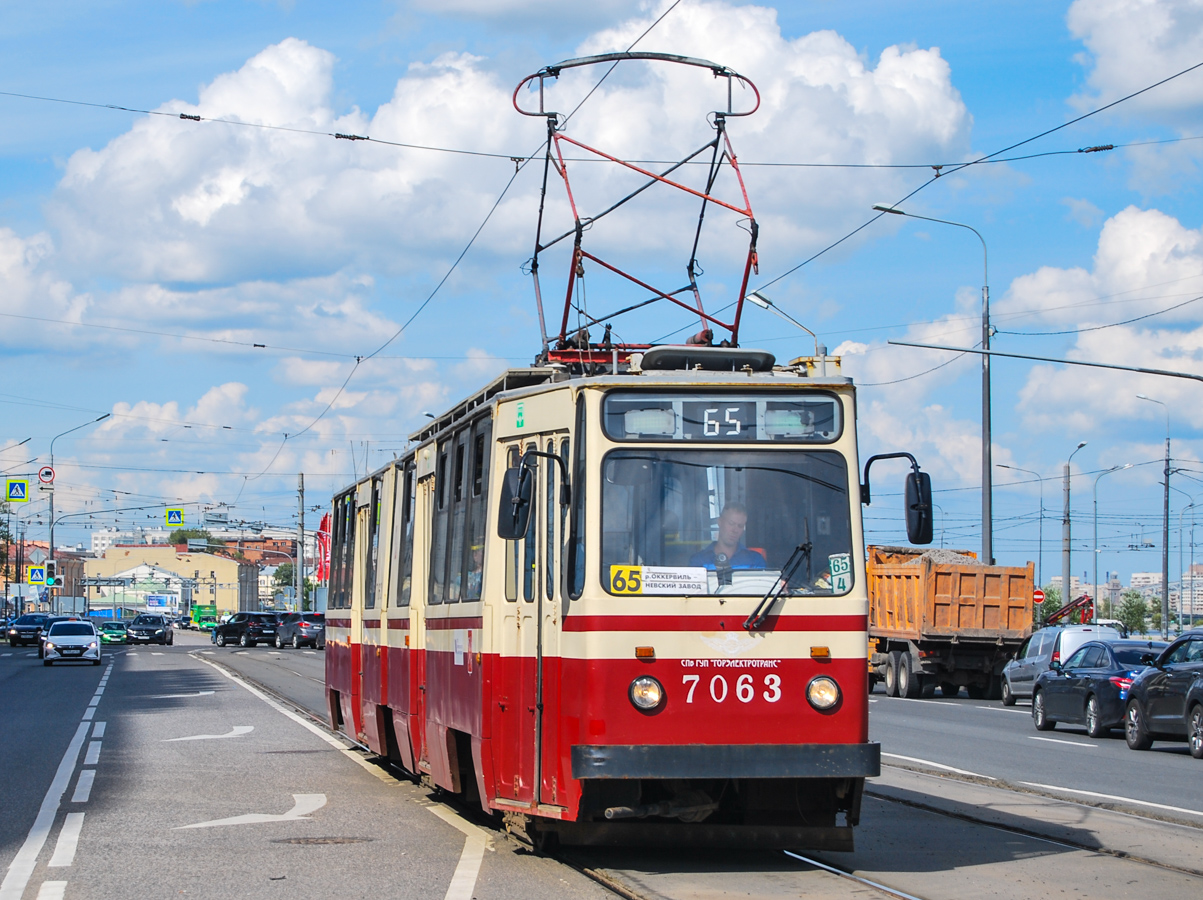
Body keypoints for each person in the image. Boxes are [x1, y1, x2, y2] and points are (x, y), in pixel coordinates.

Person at [689, 503, 766, 569]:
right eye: (731, 523)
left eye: (740, 526)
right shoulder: (698, 561)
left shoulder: (755, 561)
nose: (735, 530)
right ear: (720, 522)